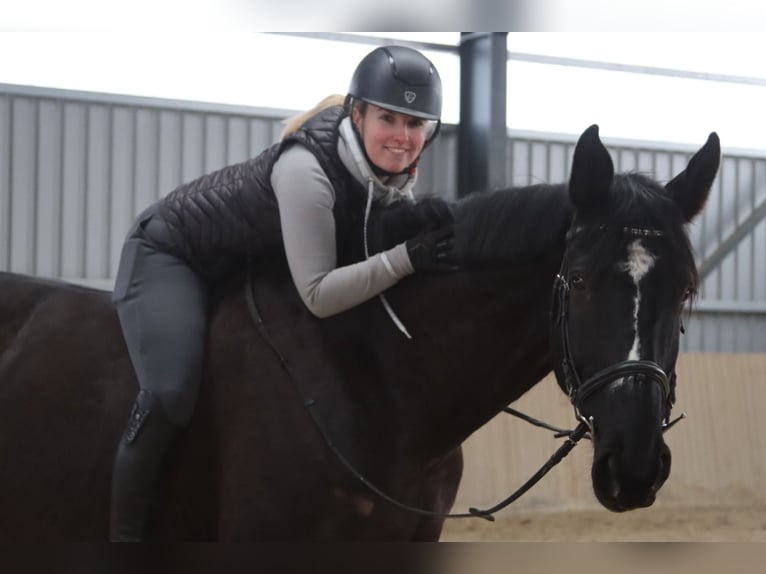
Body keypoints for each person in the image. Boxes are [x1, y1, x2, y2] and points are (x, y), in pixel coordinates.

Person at [109, 45, 455, 541]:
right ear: (357, 115)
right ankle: (127, 538)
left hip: (245, 263)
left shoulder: (391, 178)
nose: (403, 137)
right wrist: (406, 259)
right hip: (171, 253)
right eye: (389, 119)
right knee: (170, 393)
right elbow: (318, 293)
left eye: (416, 124)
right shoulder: (306, 171)